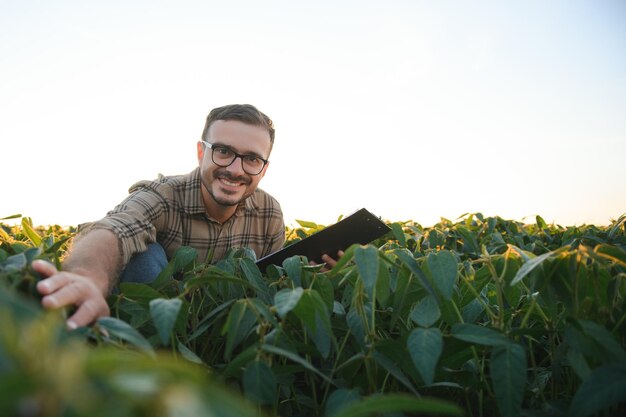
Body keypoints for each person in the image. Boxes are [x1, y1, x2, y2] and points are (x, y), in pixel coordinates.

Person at [32, 104, 339, 329]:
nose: (235, 169)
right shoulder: (165, 195)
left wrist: (306, 276)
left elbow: (268, 285)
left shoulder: (269, 212)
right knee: (145, 255)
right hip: (155, 316)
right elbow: (115, 229)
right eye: (222, 151)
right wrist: (88, 276)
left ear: (264, 168)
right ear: (200, 152)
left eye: (251, 159)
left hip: (219, 327)